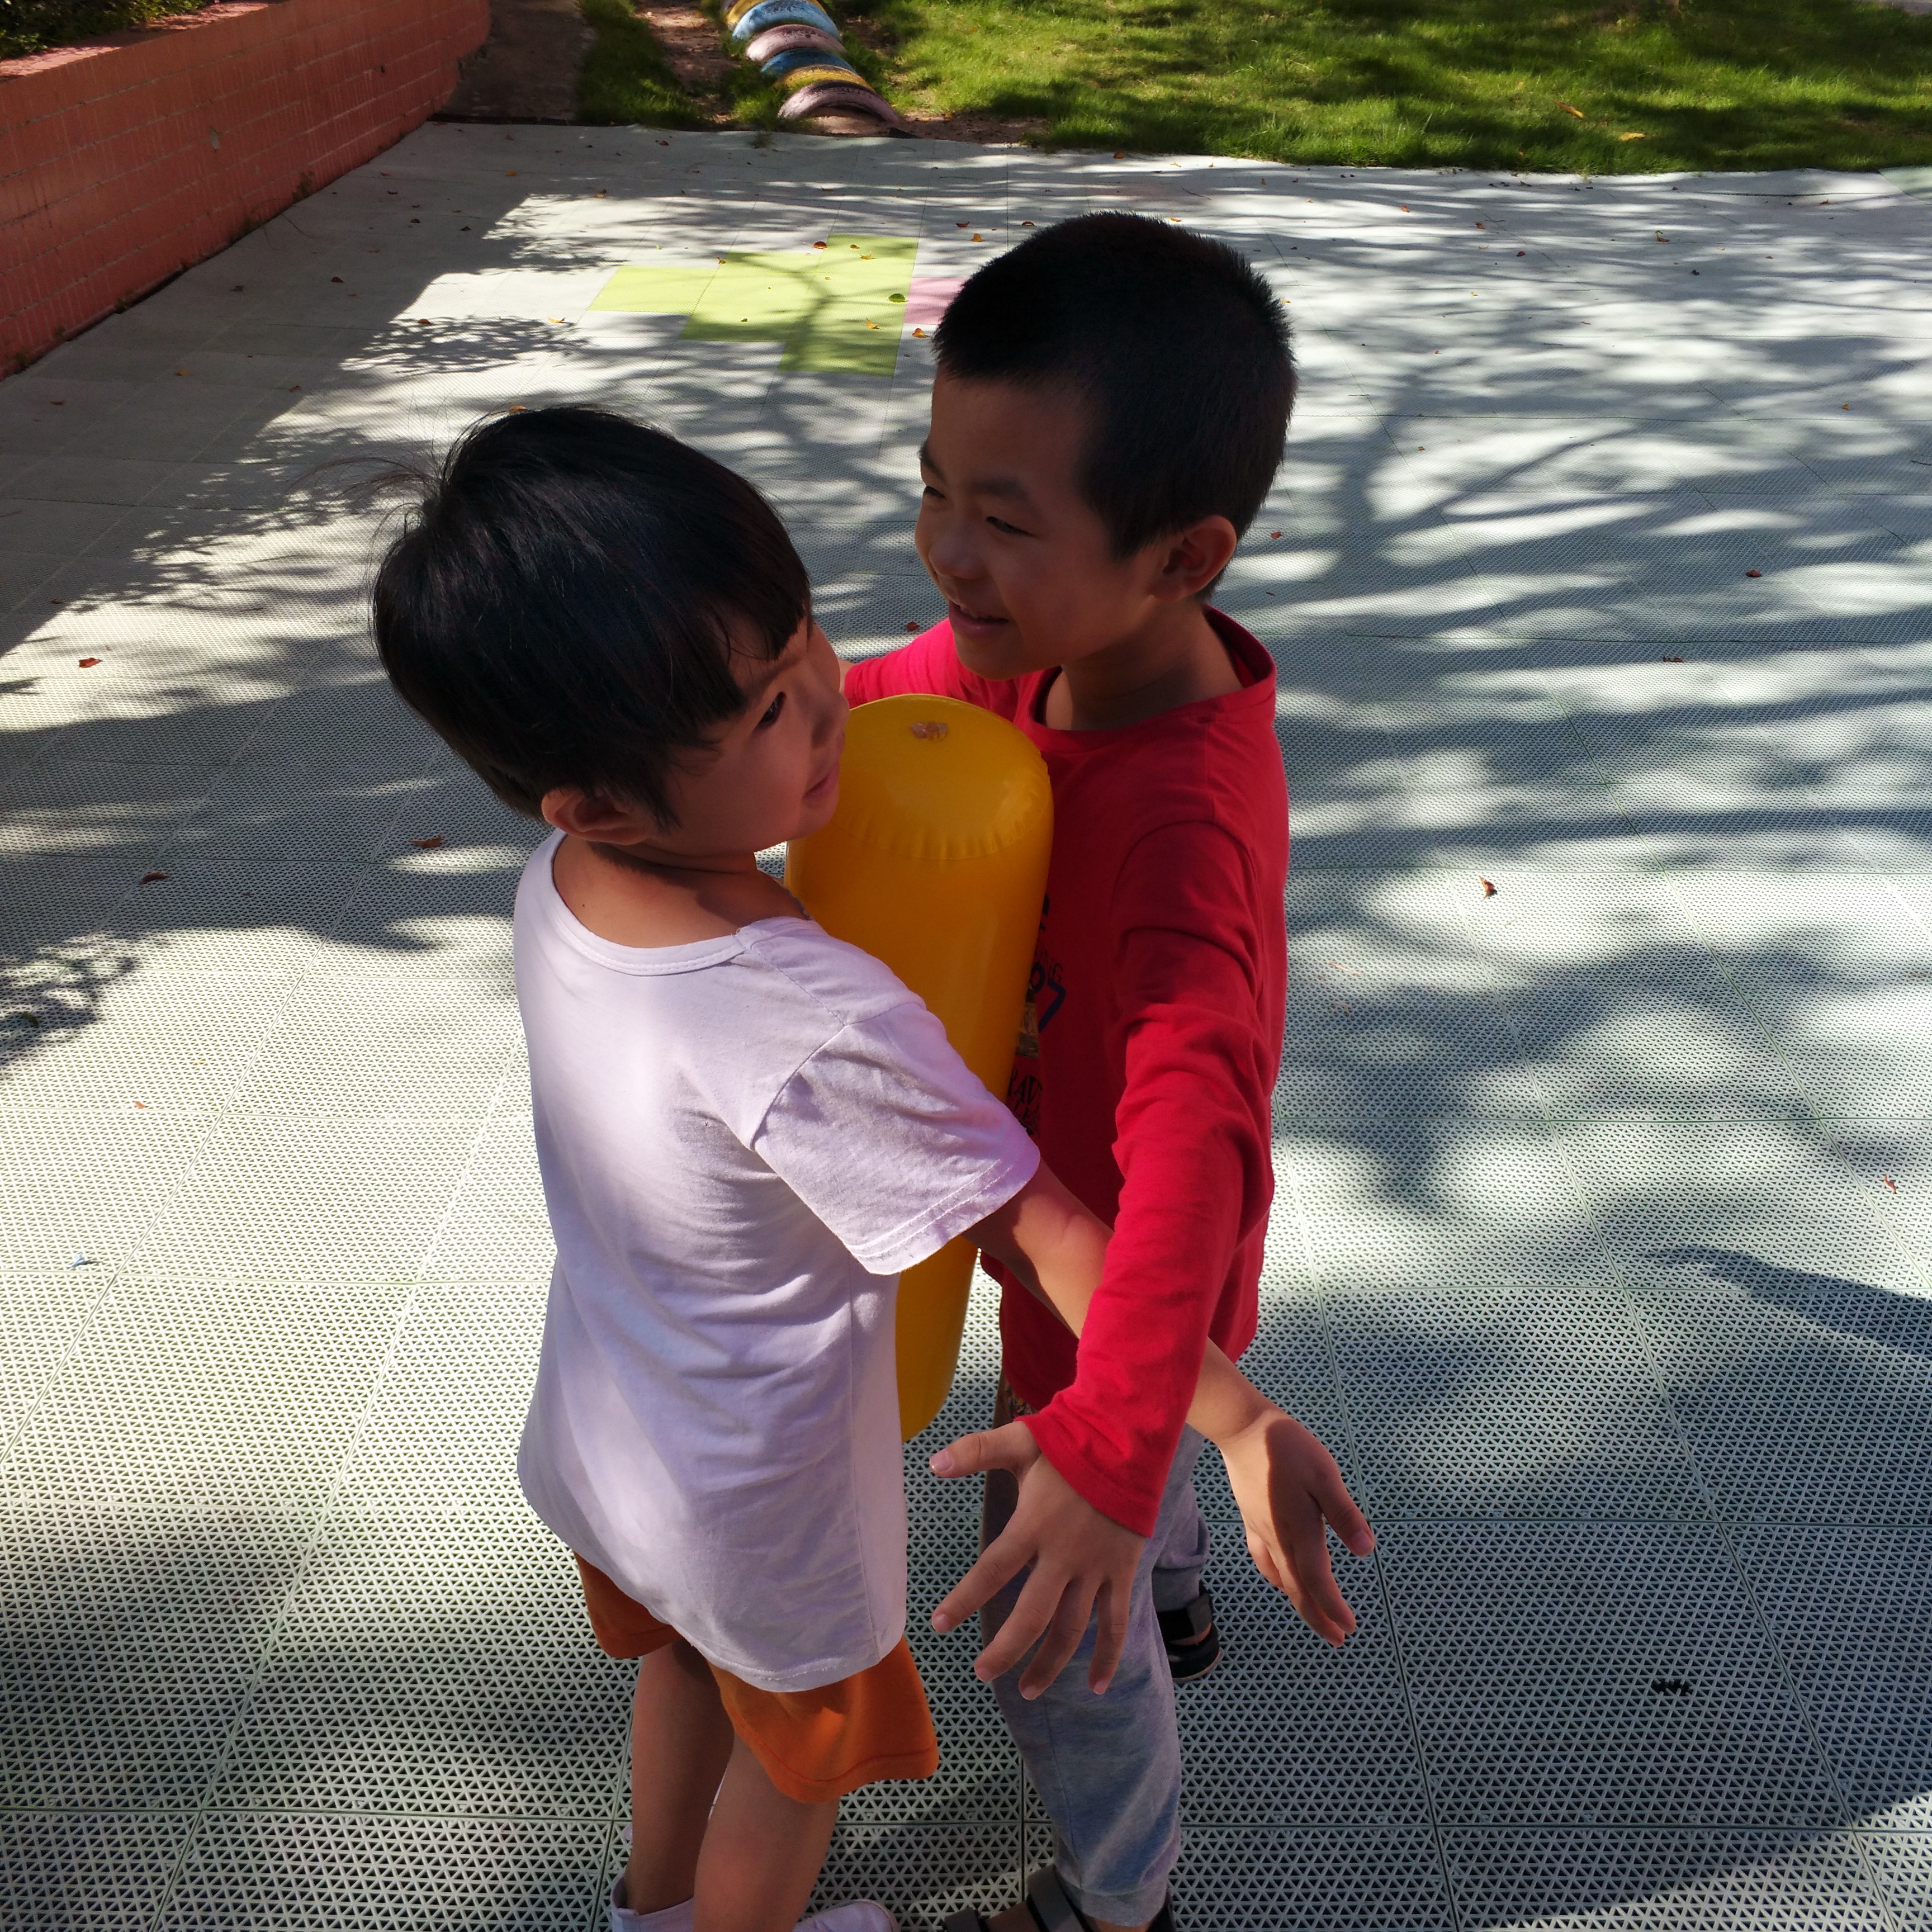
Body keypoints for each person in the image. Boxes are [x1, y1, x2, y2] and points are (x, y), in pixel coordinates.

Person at [370, 407, 1368, 1932]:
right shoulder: (813, 1018)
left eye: (806, 639)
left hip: (615, 1430)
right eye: (772, 709)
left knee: (686, 1674)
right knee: (801, 1764)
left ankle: (652, 1909)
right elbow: (1036, 1228)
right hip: (762, 1503)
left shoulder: (562, 878)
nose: (837, 697)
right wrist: (1235, 1418)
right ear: (607, 799)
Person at [842, 214, 1366, 1932]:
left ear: (1184, 555)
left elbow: (1196, 1148)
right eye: (934, 489)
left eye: (1004, 522)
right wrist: (697, 726)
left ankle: (1118, 1895)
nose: (947, 550)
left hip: (1122, 1265)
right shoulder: (1046, 653)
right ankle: (1182, 1584)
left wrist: (1112, 1448)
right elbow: (873, 704)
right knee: (1173, 1444)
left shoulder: (1176, 831)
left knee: (1053, 1624)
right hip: (1059, 1216)